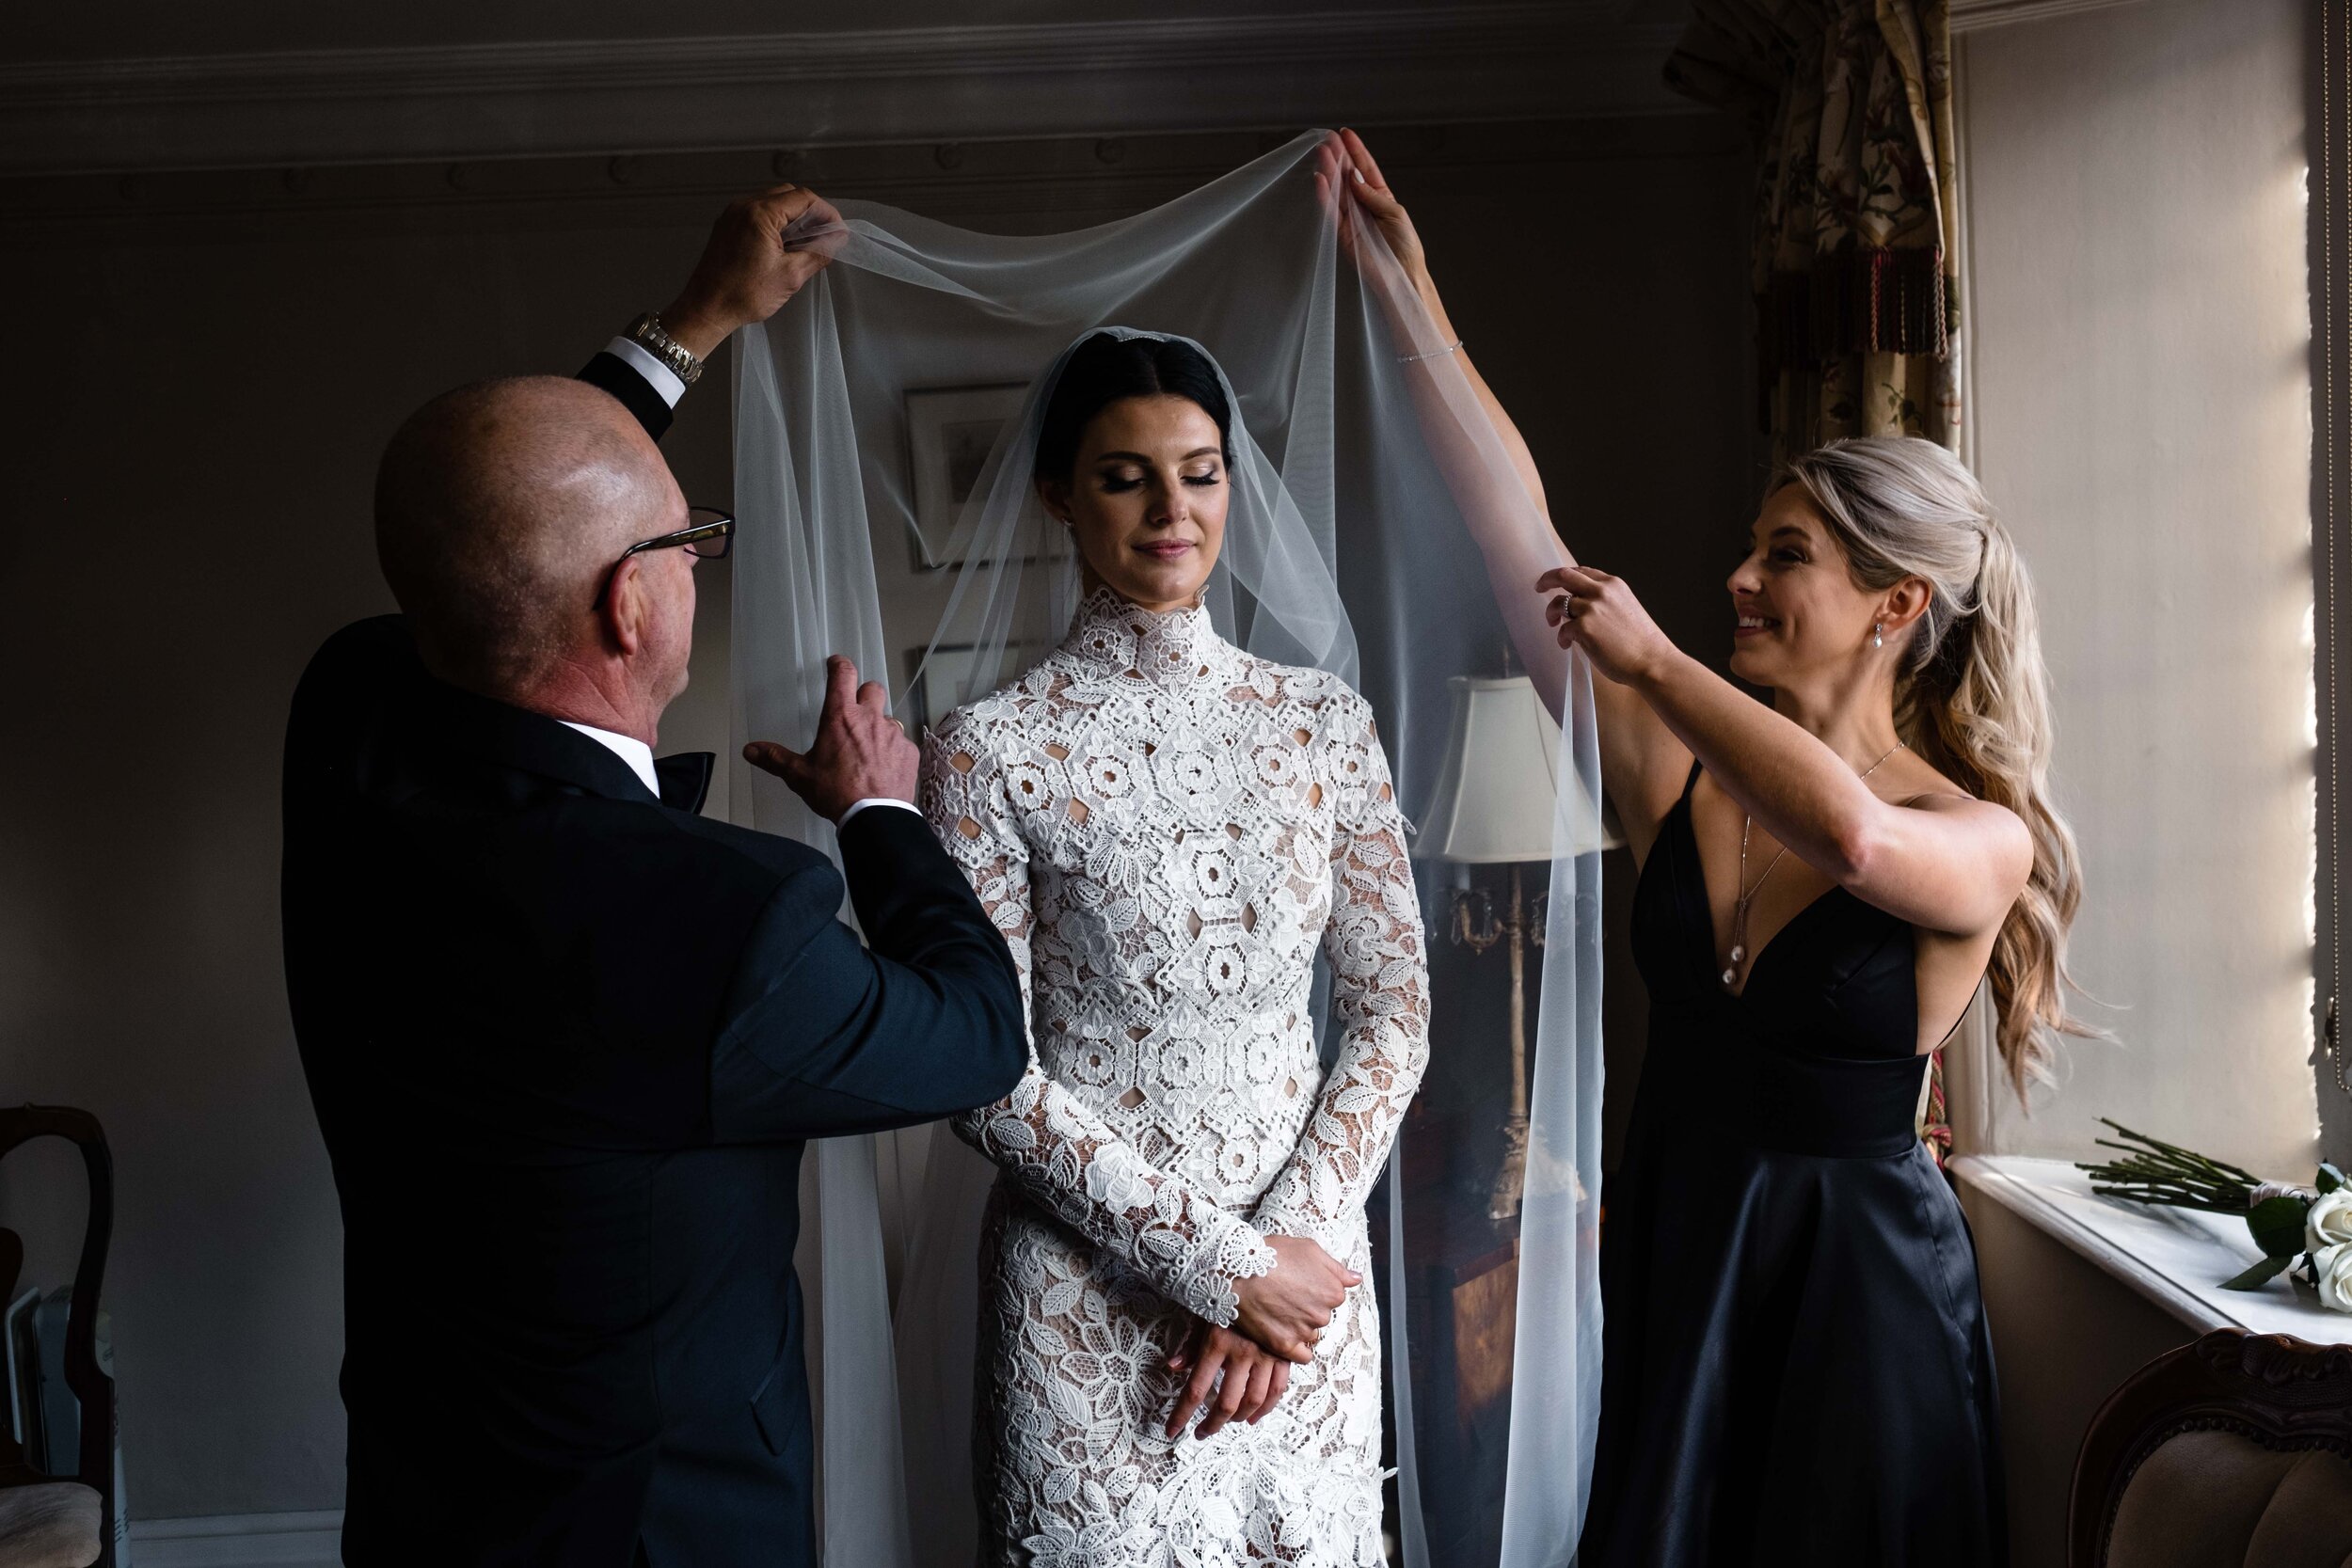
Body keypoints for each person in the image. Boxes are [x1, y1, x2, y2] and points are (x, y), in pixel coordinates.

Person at [282, 184, 1029, 1568]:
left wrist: (686, 330)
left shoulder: (351, 735)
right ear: (634, 604)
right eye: (692, 541)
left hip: (423, 1512)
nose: (699, 562)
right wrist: (880, 815)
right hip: (663, 1537)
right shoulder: (729, 920)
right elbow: (979, 1035)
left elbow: (491, 527)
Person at [916, 330, 1431, 1565]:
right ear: (1058, 493)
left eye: (1200, 473)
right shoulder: (987, 751)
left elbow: (1393, 1009)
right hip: (1085, 1300)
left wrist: (1279, 1268)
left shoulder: (1323, 723)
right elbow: (985, 1072)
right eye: (1124, 475)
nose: (1171, 509)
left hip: (1302, 1291)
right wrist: (1215, 1265)